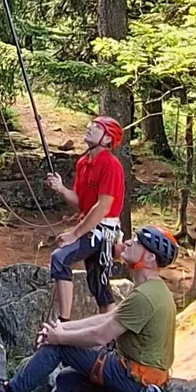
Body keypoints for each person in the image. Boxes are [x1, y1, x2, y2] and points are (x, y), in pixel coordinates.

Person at [0, 225, 180, 392]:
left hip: (135, 378)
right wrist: (63, 329)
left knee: (59, 348)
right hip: (140, 376)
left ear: (149, 257)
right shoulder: (152, 290)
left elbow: (101, 335)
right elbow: (106, 319)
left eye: (138, 242)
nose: (128, 242)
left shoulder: (145, 297)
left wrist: (59, 339)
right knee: (68, 378)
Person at [43, 114, 127, 320]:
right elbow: (83, 202)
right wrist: (61, 189)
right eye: (91, 125)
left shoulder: (110, 165)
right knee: (98, 284)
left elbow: (103, 206)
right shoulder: (83, 163)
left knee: (60, 258)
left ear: (107, 139)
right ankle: (110, 334)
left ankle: (63, 321)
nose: (89, 128)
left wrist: (75, 234)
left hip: (103, 230)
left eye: (96, 128)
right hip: (92, 227)